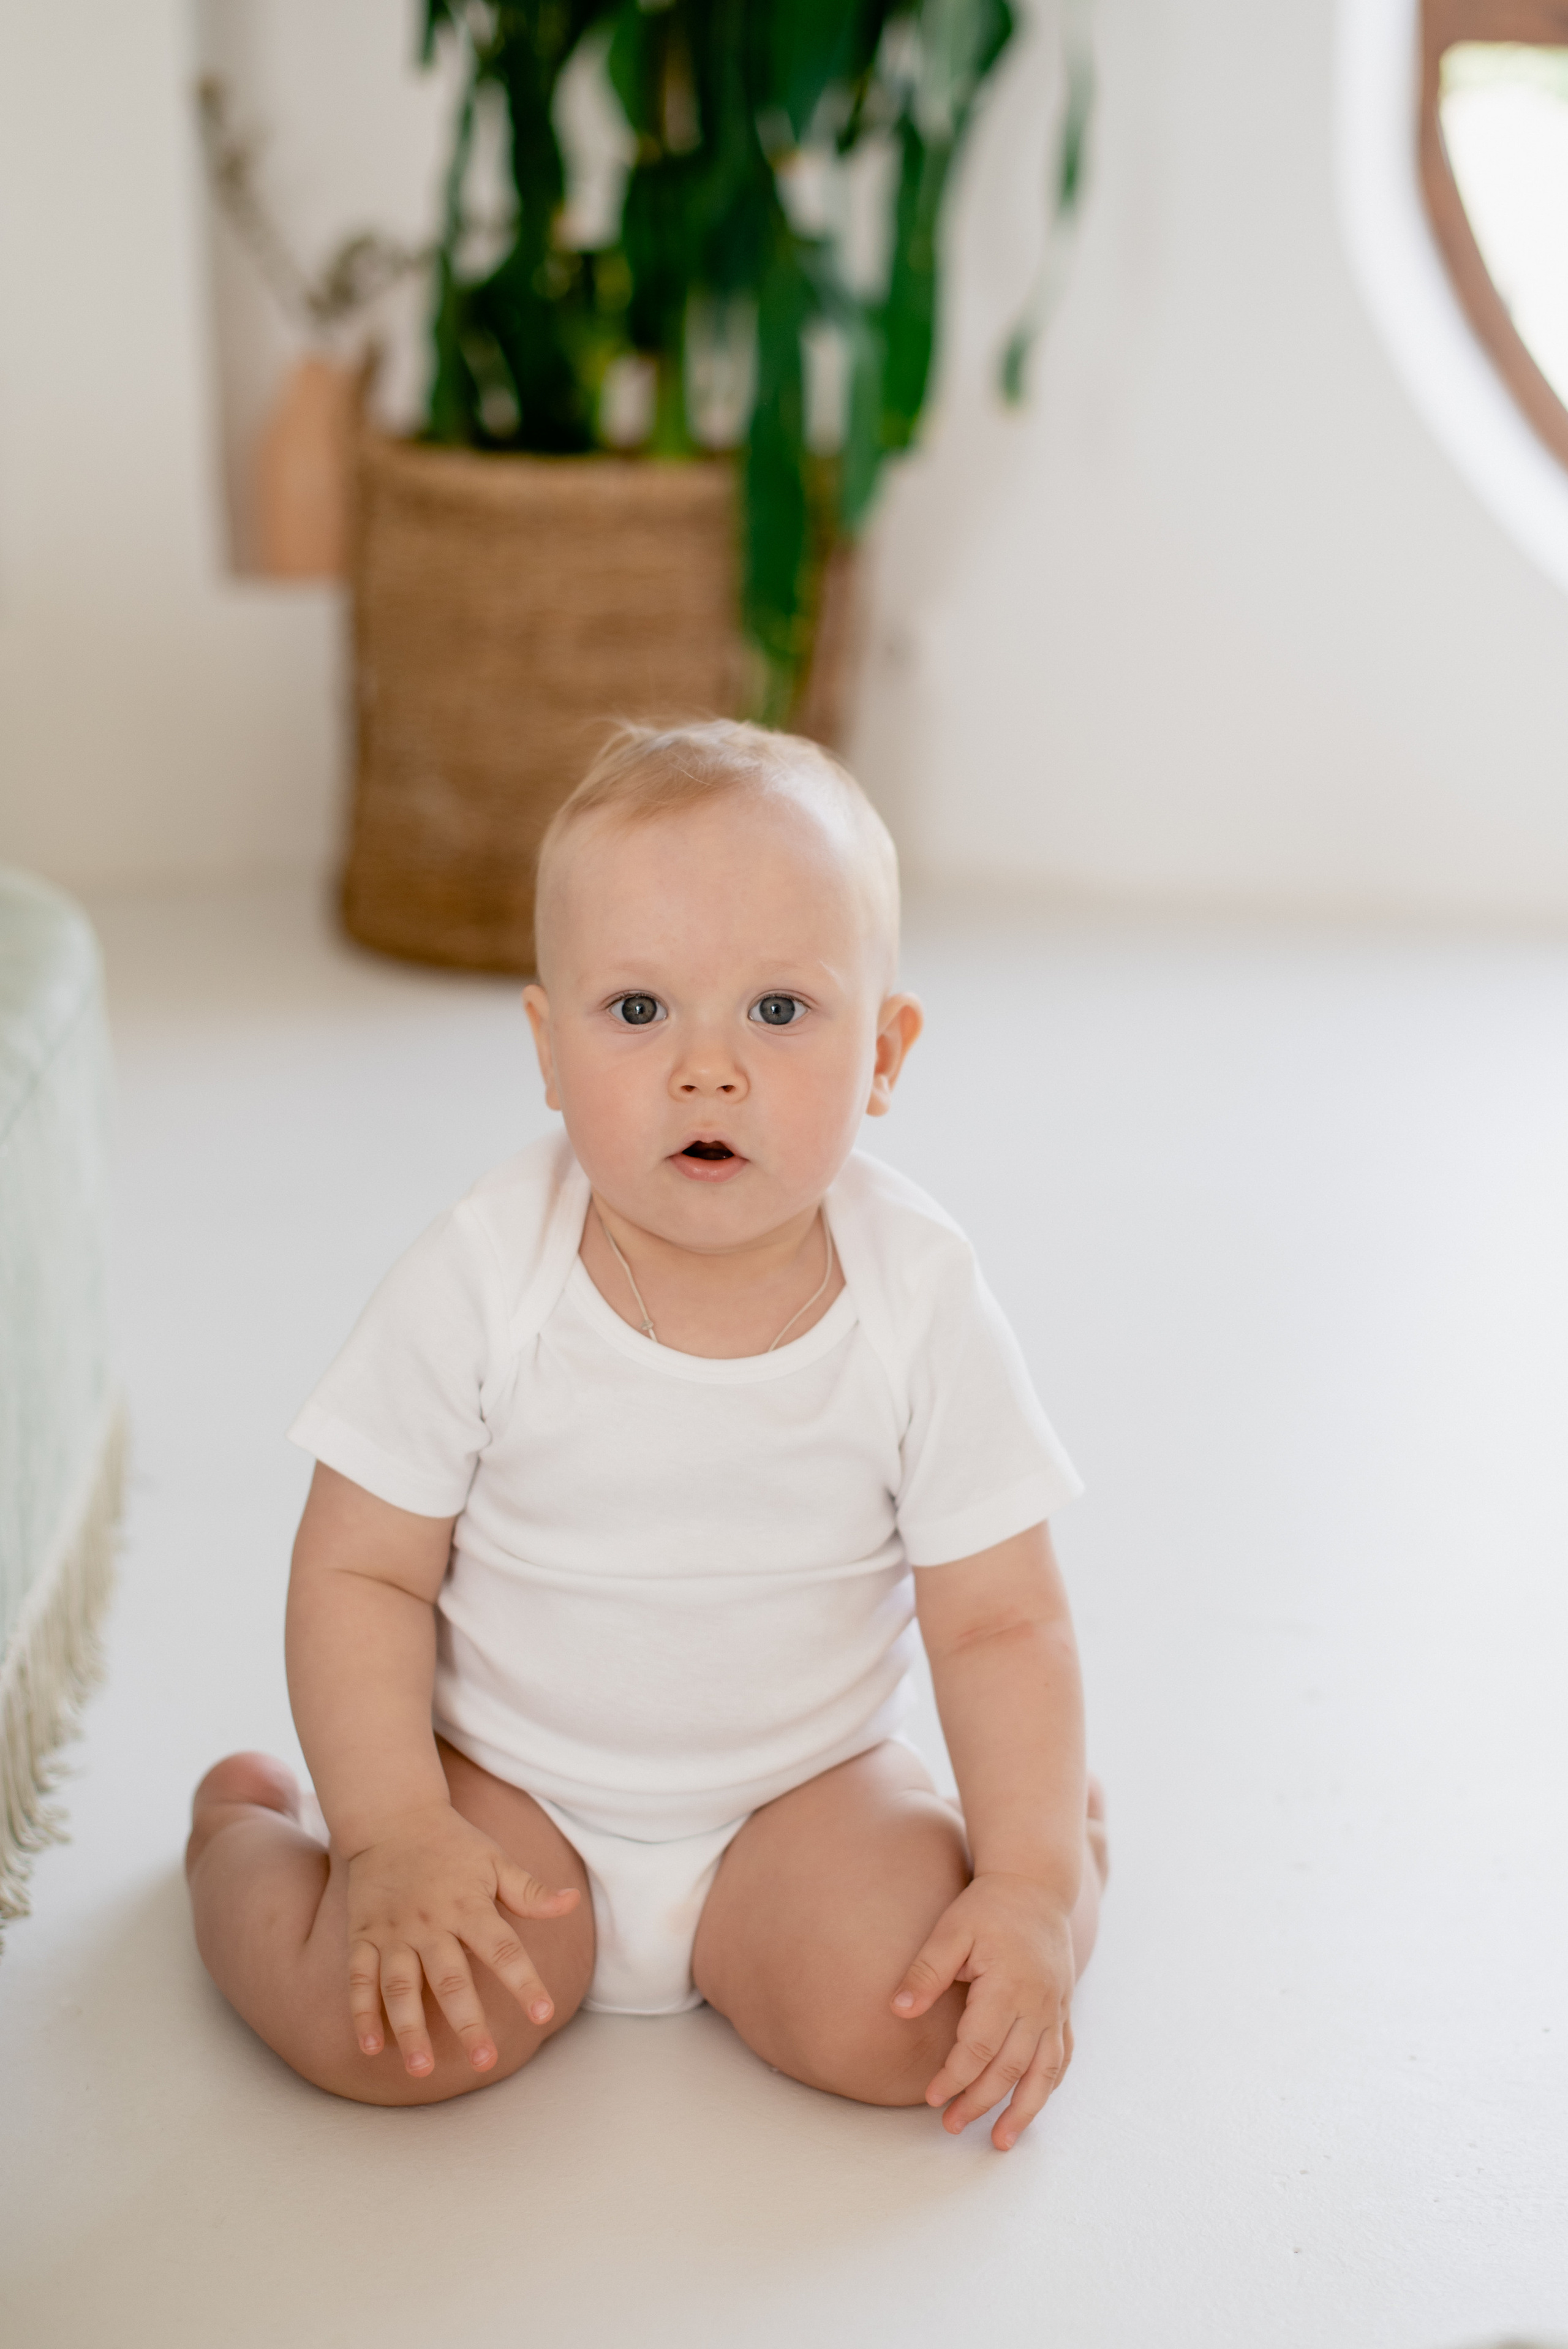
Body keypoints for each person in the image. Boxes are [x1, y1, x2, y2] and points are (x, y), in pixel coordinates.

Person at [185, 719, 1107, 2152]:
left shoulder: (917, 1296)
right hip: (504, 1788)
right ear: (548, 1049)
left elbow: (998, 1625)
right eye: (636, 1012)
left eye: (779, 1012)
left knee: (924, 2022)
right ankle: (243, 1849)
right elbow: (362, 1572)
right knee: (388, 2033)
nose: (705, 1071)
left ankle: (1067, 1856)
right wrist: (391, 1833)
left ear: (886, 1050)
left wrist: (1029, 1881)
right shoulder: (488, 1270)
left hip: (799, 1805)